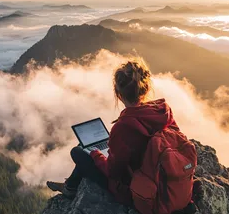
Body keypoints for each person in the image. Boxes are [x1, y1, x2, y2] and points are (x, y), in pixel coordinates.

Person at [47, 58, 180, 206]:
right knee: (87, 148)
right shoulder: (163, 111)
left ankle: (70, 187)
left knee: (78, 151)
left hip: (135, 185)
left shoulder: (123, 126)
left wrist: (96, 154)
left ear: (119, 94)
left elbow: (112, 172)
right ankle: (70, 185)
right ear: (146, 88)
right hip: (160, 173)